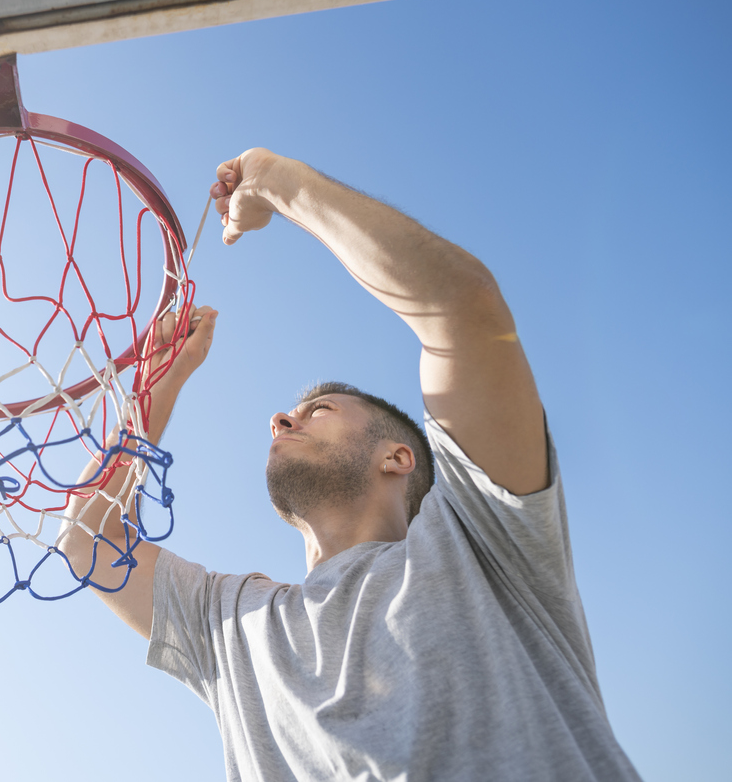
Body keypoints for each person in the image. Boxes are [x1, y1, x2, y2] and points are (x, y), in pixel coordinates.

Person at [59, 148, 642, 781]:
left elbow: (459, 307)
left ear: (398, 457)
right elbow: (88, 537)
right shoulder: (231, 626)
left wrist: (280, 184)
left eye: (319, 409)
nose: (283, 420)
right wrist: (163, 379)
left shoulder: (482, 541)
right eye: (289, 413)